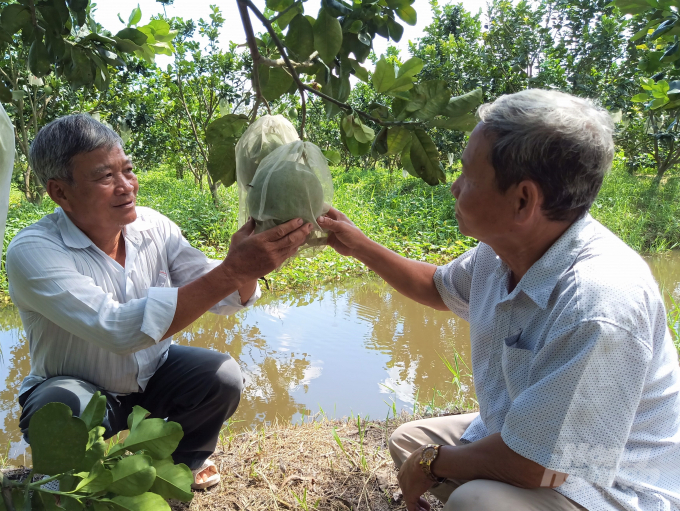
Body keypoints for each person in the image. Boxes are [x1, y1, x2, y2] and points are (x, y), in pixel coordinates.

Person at [317, 89, 680, 511]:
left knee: (477, 500)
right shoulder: (500, 251)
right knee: (408, 441)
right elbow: (437, 287)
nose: (455, 187)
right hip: (534, 445)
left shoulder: (598, 302)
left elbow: (536, 466)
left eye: (468, 175)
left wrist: (432, 464)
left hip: (606, 483)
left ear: (523, 200)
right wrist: (360, 245)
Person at [6, 114, 313, 489]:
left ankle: (183, 461)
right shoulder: (33, 250)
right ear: (60, 192)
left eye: (128, 170)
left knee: (222, 376)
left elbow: (220, 294)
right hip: (79, 387)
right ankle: (62, 480)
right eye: (105, 177)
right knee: (60, 408)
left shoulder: (154, 226)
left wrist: (246, 266)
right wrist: (232, 270)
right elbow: (117, 328)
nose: (126, 186)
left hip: (153, 378)